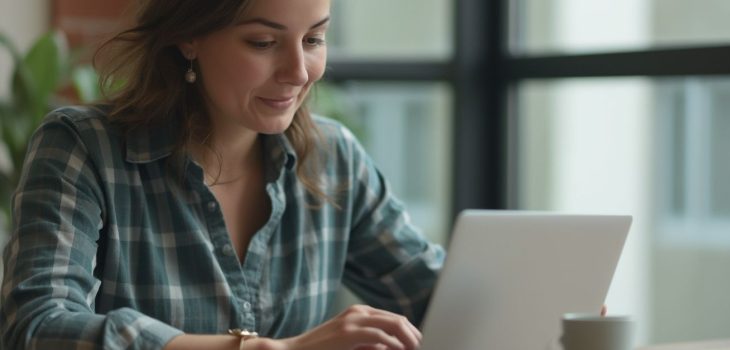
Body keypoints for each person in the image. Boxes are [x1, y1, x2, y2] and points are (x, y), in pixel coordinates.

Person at [0, 0, 445, 349]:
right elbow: (38, 328)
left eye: (314, 39)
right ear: (188, 36)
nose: (298, 72)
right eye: (263, 42)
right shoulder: (83, 147)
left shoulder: (334, 158)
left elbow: (438, 300)